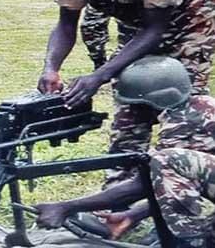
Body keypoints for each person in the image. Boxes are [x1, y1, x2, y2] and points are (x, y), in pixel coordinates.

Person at [37, 0, 215, 187]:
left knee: (181, 99)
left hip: (188, 22)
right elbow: (66, 23)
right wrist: (50, 67)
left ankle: (178, 184)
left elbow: (155, 30)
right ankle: (120, 191)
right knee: (131, 99)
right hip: (137, 26)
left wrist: (99, 75)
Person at [35, 56, 215, 247]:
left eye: (134, 105)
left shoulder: (181, 125)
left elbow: (142, 185)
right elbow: (175, 183)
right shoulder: (201, 107)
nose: (131, 111)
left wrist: (65, 207)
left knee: (164, 160)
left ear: (152, 102)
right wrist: (132, 216)